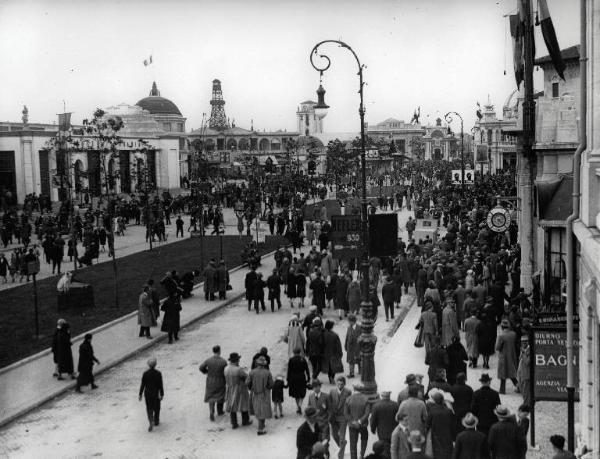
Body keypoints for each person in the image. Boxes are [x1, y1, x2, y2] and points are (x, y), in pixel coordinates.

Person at [223, 352, 252, 429]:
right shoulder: (239, 370)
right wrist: (246, 371)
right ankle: (245, 421)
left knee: (232, 406)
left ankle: (234, 423)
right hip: (239, 389)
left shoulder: (226, 368)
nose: (239, 361)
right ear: (236, 360)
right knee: (243, 404)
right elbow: (246, 377)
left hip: (230, 388)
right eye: (238, 359)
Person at [199, 345, 227, 422]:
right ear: (219, 351)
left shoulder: (208, 360)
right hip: (220, 380)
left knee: (211, 396)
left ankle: (211, 411)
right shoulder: (223, 361)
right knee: (220, 395)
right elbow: (226, 371)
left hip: (210, 380)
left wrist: (206, 372)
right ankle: (220, 411)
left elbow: (201, 367)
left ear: (213, 351)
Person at [246, 355, 273, 435]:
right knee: (263, 410)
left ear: (257, 364)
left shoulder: (252, 372)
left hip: (255, 393)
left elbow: (247, 382)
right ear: (264, 364)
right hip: (264, 393)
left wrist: (251, 388)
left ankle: (261, 426)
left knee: (258, 409)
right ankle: (260, 429)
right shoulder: (267, 372)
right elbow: (271, 384)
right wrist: (267, 387)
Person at [370, 390, 399, 458]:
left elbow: (373, 420)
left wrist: (373, 429)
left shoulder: (376, 406)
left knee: (384, 451)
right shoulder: (396, 405)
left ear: (381, 396)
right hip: (394, 432)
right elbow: (398, 419)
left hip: (382, 433)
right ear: (389, 396)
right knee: (394, 450)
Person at [426, 391, 455, 459]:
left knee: (437, 454)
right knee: (447, 453)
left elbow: (427, 424)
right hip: (447, 435)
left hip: (436, 436)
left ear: (434, 400)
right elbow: (453, 424)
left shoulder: (432, 411)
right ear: (442, 400)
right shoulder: (449, 411)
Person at [329, 375, 352, 459]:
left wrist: (349, 416)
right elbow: (329, 403)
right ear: (336, 384)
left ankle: (340, 456)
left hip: (343, 418)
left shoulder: (348, 392)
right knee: (334, 435)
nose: (340, 386)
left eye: (341, 384)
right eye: (338, 384)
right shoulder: (332, 391)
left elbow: (349, 404)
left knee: (342, 438)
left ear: (344, 384)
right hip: (334, 418)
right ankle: (343, 444)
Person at [139, 357, 164, 432]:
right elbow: (160, 385)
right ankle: (156, 420)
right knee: (157, 407)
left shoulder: (145, 374)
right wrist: (162, 394)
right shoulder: (158, 373)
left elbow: (142, 384)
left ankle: (151, 420)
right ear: (155, 365)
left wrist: (140, 394)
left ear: (148, 365)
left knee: (149, 408)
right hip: (155, 394)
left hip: (148, 394)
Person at [345, 386, 370, 459]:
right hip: (363, 425)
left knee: (353, 444)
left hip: (352, 425)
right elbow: (367, 413)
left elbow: (346, 413)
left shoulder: (348, 399)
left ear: (354, 389)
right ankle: (361, 455)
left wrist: (353, 421)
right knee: (364, 440)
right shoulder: (366, 399)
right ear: (361, 389)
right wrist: (360, 421)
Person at [495, 318, 519, 394]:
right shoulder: (513, 334)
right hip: (512, 355)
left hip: (503, 356)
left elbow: (497, 347)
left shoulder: (501, 336)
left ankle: (502, 389)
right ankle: (519, 386)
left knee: (503, 373)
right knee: (511, 372)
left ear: (502, 327)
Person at [287, 347, 311, 414]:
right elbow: (307, 369)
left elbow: (289, 371)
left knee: (296, 393)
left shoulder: (291, 360)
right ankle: (300, 405)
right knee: (302, 392)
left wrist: (288, 379)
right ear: (300, 352)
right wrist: (308, 377)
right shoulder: (303, 359)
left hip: (293, 377)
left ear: (294, 353)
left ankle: (298, 406)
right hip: (301, 377)